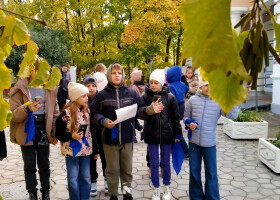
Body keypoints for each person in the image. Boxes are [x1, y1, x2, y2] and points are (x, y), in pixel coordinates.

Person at [92, 62, 164, 200]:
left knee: (127, 168)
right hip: (109, 138)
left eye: (119, 73)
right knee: (112, 169)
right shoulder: (101, 95)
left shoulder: (131, 93)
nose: (117, 75)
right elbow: (95, 113)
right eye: (114, 73)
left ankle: (126, 192)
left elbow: (140, 110)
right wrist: (103, 121)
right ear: (109, 75)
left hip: (127, 137)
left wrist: (150, 110)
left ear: (123, 75)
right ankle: (113, 194)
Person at [9, 57, 59, 200]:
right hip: (27, 128)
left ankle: (45, 191)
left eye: (45, 70)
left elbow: (55, 113)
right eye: (39, 69)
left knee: (44, 163)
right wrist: (27, 108)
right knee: (29, 163)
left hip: (44, 128)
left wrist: (54, 132)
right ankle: (32, 192)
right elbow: (12, 115)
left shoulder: (49, 88)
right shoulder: (20, 89)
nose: (44, 73)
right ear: (31, 70)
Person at [183, 80, 238, 200]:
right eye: (206, 84)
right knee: (194, 172)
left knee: (211, 173)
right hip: (193, 143)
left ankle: (212, 197)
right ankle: (196, 197)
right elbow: (185, 117)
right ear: (201, 86)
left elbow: (233, 116)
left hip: (210, 143)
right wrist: (189, 123)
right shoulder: (192, 100)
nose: (209, 88)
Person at [142, 69, 182, 200]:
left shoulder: (170, 98)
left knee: (165, 162)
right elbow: (140, 113)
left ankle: (167, 187)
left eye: (156, 82)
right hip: (151, 134)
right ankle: (155, 189)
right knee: (153, 163)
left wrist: (178, 133)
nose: (153, 85)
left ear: (161, 83)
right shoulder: (145, 96)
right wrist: (149, 110)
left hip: (167, 135)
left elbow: (175, 118)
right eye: (151, 82)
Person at [55, 82, 93, 200]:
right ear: (75, 98)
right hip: (71, 152)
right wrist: (72, 136)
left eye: (87, 95)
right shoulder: (65, 114)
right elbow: (59, 133)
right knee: (73, 179)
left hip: (86, 152)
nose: (86, 98)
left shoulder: (87, 112)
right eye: (83, 96)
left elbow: (92, 132)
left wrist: (95, 149)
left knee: (86, 178)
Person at [83, 75, 108, 196]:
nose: (91, 88)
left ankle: (107, 179)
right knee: (91, 159)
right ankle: (93, 181)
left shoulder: (101, 97)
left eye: (93, 86)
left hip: (102, 133)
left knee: (105, 157)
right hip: (88, 135)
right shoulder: (82, 100)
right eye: (88, 86)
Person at [167, 66, 190, 159]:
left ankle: (186, 150)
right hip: (181, 108)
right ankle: (174, 148)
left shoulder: (171, 86)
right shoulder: (181, 84)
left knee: (175, 129)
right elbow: (187, 87)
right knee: (173, 128)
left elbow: (171, 99)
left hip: (174, 108)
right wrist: (183, 78)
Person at [130, 70, 145, 142]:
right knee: (134, 120)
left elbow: (132, 97)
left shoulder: (133, 87)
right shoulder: (140, 86)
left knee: (131, 121)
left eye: (131, 77)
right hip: (139, 106)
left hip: (134, 106)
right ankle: (142, 130)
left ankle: (134, 137)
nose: (130, 79)